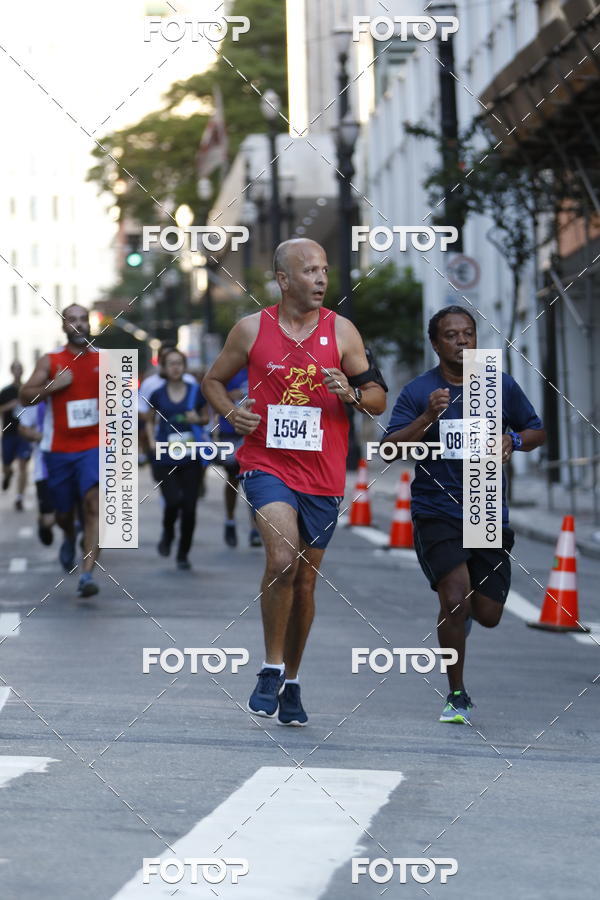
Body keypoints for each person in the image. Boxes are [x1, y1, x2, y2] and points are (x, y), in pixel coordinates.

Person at [203, 238, 387, 725]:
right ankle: (268, 666)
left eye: (325, 269)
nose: (322, 279)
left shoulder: (342, 332)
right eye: (309, 271)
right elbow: (213, 381)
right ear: (284, 279)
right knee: (282, 560)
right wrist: (231, 414)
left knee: (306, 582)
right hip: (267, 465)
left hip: (324, 474)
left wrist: (351, 393)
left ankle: (291, 679)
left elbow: (377, 397)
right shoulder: (250, 330)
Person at [384, 305, 546, 724]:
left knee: (488, 614)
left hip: (484, 502)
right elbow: (390, 448)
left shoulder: (495, 385)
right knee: (454, 598)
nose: (461, 342)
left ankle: (459, 620)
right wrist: (426, 417)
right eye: (451, 335)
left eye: (468, 334)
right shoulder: (421, 391)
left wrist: (513, 439)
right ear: (435, 344)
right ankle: (456, 694)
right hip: (436, 507)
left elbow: (536, 429)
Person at [20, 304, 101, 598]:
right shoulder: (51, 360)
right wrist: (52, 387)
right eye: (73, 320)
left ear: (91, 324)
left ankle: (87, 575)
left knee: (94, 506)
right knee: (64, 513)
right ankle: (68, 535)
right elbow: (25, 395)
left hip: (95, 445)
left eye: (84, 319)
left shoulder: (106, 360)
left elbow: (124, 403)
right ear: (64, 327)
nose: (79, 325)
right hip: (58, 449)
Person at [146, 348, 208, 570]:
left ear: (184, 366)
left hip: (190, 457)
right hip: (165, 456)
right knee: (173, 501)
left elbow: (206, 418)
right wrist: (151, 442)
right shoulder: (158, 394)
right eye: (170, 364)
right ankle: (168, 532)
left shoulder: (195, 391)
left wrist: (198, 420)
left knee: (190, 508)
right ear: (163, 368)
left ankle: (183, 552)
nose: (175, 367)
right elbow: (149, 420)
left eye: (179, 363)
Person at [215, 368, 262, 548]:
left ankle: (255, 530)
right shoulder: (230, 367)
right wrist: (228, 396)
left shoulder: (264, 365)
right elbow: (212, 391)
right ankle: (230, 520)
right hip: (231, 431)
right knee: (233, 479)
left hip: (257, 431)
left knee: (255, 479)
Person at [18, 401, 56, 545]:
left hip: (75, 461)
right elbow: (23, 427)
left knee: (79, 508)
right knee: (49, 519)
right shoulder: (37, 400)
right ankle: (44, 523)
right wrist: (40, 437)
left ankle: (72, 537)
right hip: (45, 469)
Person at [0, 361, 32, 510]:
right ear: (11, 371)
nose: (18, 371)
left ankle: (19, 497)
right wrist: (10, 405)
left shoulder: (28, 389)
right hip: (9, 433)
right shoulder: (5, 391)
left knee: (23, 465)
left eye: (20, 368)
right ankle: (7, 474)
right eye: (16, 369)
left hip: (24, 433)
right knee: (6, 465)